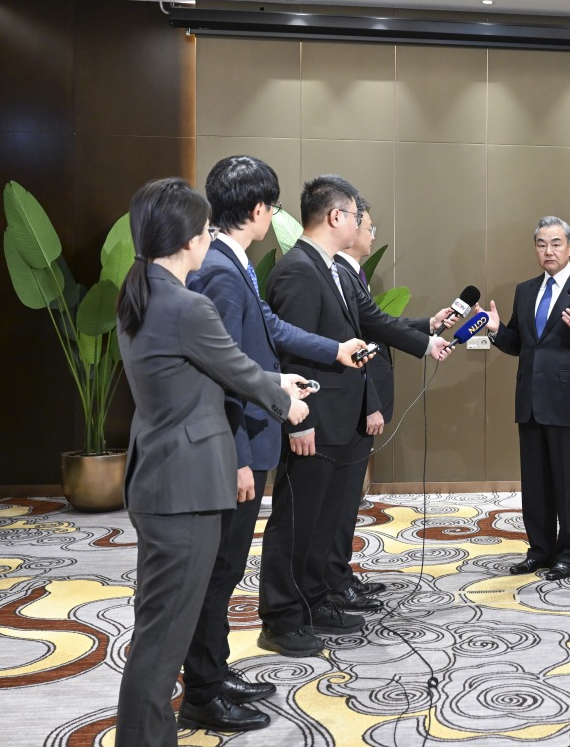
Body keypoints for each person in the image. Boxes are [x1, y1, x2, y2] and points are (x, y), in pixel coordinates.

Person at [113, 178, 309, 747]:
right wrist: (286, 401)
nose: (209, 238)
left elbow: (208, 368)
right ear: (190, 240)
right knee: (161, 640)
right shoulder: (186, 303)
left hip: (161, 479)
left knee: (158, 630)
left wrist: (274, 379)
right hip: (187, 486)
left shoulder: (142, 292)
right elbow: (236, 370)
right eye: (204, 230)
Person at [179, 156, 371, 733]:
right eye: (274, 208)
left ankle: (215, 673)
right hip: (236, 451)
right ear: (261, 211)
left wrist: (334, 350)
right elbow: (221, 372)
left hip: (252, 439)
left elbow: (268, 329)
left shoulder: (234, 262)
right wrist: (238, 455)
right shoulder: (218, 270)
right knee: (219, 573)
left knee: (228, 568)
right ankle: (204, 694)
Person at [257, 175, 450, 657]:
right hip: (314, 419)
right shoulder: (299, 270)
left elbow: (372, 322)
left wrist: (427, 340)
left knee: (324, 520)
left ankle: (317, 599)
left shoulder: (335, 270)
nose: (363, 223)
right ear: (336, 217)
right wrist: (299, 420)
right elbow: (291, 352)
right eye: (356, 215)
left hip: (342, 418)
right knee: (297, 522)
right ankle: (281, 616)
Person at [331, 203, 456, 608]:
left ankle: (341, 573)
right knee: (341, 502)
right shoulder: (339, 275)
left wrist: (427, 326)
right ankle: (335, 579)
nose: (370, 232)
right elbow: (366, 337)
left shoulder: (353, 275)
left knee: (348, 501)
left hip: (361, 405)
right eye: (367, 225)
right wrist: (425, 343)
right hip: (351, 406)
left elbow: (378, 323)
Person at [485, 216, 570, 581]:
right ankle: (539, 550)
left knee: (567, 484)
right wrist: (496, 332)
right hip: (529, 401)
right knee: (535, 484)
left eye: (556, 243)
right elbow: (519, 344)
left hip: (567, 402)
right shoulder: (525, 290)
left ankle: (567, 554)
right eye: (541, 244)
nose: (548, 251)